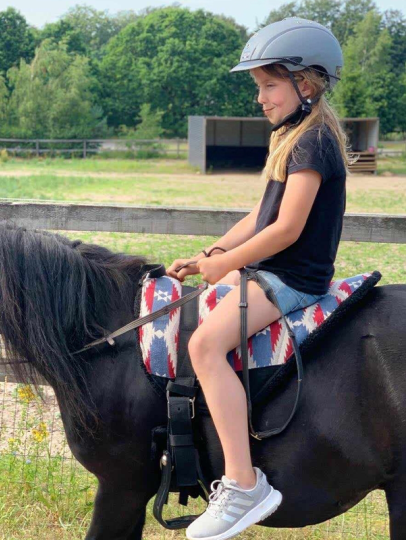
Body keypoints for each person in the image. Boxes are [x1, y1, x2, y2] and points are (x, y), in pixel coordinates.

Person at [166, 17, 350, 540]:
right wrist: (213, 253)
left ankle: (245, 484)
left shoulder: (313, 143)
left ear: (306, 84)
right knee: (190, 321)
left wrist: (228, 264)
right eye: (259, 88)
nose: (261, 98)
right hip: (272, 268)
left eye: (269, 85)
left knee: (203, 346)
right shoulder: (292, 136)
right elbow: (259, 215)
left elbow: (288, 229)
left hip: (293, 277)